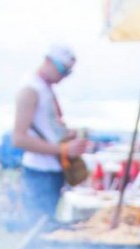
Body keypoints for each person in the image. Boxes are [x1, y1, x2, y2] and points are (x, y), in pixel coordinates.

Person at [11, 45, 89, 223]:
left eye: (68, 72)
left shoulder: (44, 88)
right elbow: (19, 139)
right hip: (39, 173)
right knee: (39, 228)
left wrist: (66, 137)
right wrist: (63, 149)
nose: (63, 76)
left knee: (49, 225)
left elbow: (48, 129)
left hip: (51, 171)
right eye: (63, 70)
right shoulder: (30, 89)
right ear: (47, 61)